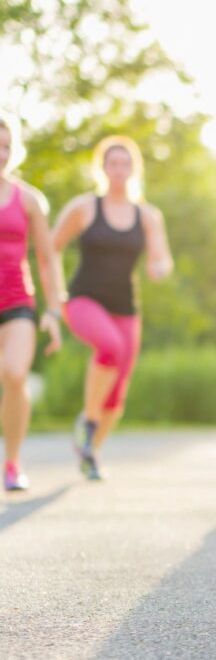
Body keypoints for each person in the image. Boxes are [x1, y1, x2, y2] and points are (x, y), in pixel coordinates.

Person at [52, 136, 173, 481]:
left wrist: (160, 268)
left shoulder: (148, 215)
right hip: (81, 300)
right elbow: (52, 248)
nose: (119, 170)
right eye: (112, 163)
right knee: (110, 347)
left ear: (134, 169)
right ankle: (88, 422)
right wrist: (55, 293)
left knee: (117, 395)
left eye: (125, 164)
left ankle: (92, 451)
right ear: (103, 168)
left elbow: (161, 258)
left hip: (126, 308)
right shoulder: (84, 207)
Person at [0, 114, 63, 492]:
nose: (1, 153)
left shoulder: (29, 200)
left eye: (6, 146)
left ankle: (12, 461)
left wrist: (54, 308)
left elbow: (47, 257)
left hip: (17, 300)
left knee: (15, 373)